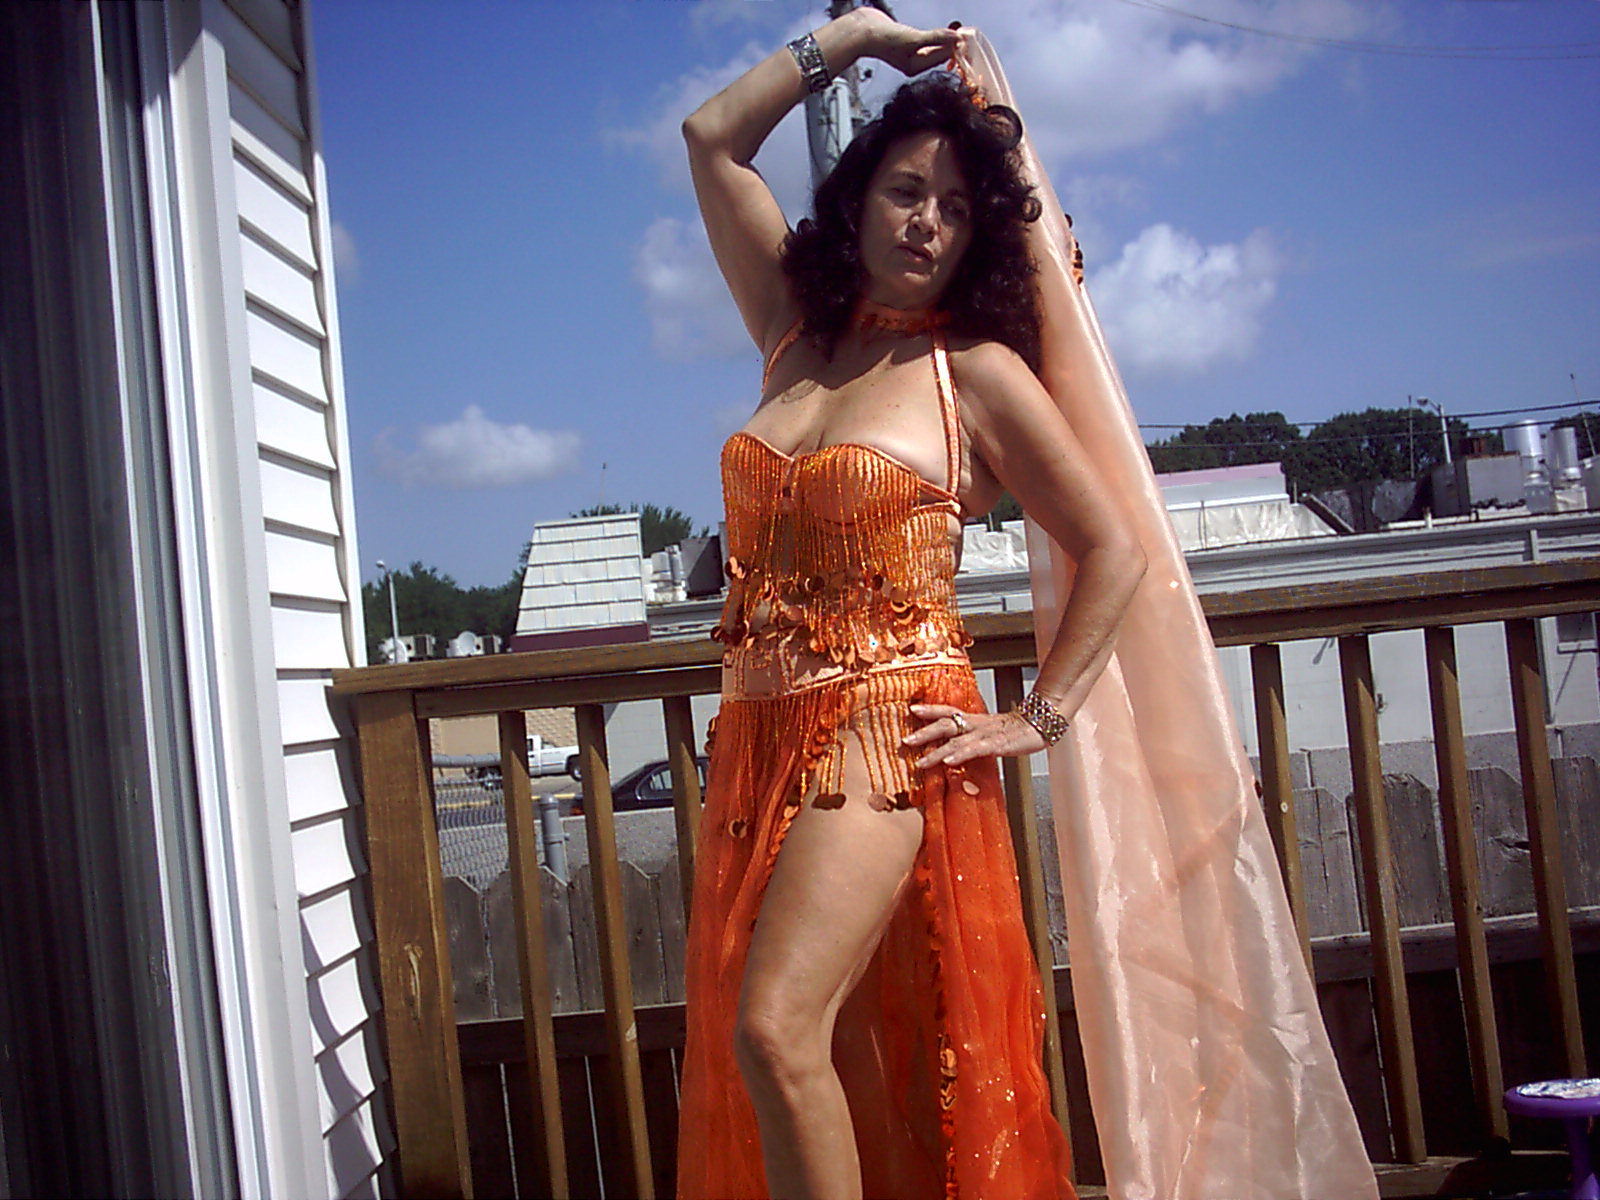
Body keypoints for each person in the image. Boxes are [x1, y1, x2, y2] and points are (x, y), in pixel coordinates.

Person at [674, 9, 1147, 1199]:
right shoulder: (793, 334)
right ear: (855, 202)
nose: (926, 219)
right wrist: (849, 42)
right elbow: (711, 140)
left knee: (773, 1031)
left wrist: (1037, 718)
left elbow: (1114, 547)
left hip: (884, 738)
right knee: (841, 1057)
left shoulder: (972, 376)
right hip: (758, 733)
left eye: (954, 206)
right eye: (903, 191)